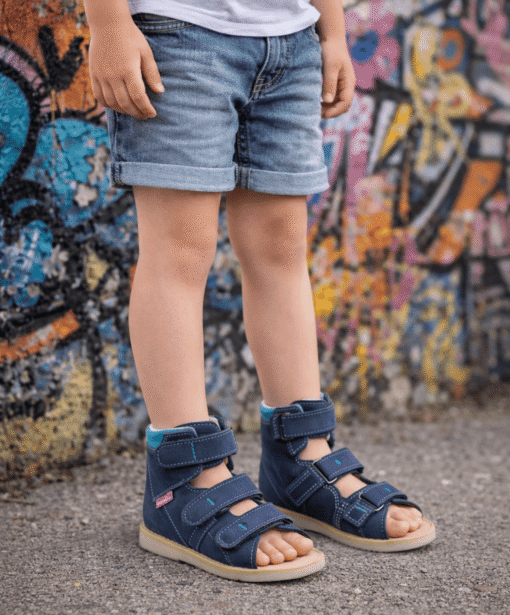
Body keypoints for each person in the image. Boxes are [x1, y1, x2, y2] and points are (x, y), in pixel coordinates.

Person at [83, 0, 435, 582]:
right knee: (178, 252)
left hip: (292, 40)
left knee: (281, 250)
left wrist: (332, 32)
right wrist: (109, 25)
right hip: (179, 35)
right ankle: (184, 481)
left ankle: (302, 458)